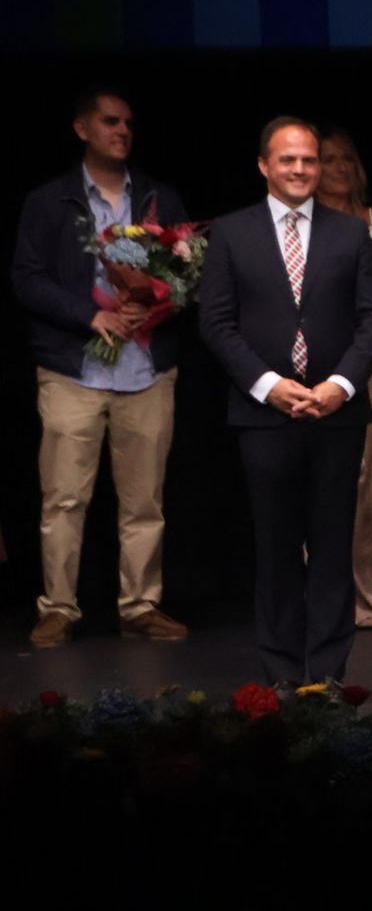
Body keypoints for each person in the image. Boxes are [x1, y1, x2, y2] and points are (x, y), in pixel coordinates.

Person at [198, 116, 372, 684]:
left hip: (337, 413)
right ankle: (281, 674)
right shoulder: (231, 232)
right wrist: (268, 386)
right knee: (277, 549)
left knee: (332, 550)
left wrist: (340, 386)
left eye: (309, 159)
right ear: (264, 166)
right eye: (288, 160)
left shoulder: (351, 232)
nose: (301, 169)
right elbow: (217, 322)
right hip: (263, 415)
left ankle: (326, 675)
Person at [13, 86, 189, 648]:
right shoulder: (50, 201)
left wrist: (156, 302)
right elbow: (27, 279)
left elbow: (190, 273)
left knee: (145, 500)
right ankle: (59, 608)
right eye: (110, 122)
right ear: (82, 129)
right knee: (64, 497)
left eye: (128, 123)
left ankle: (140, 605)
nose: (122, 131)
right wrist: (91, 316)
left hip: (145, 367)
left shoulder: (160, 196)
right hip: (74, 369)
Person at [316, 128, 372, 628]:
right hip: (325, 360)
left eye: (347, 158)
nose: (340, 167)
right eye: (329, 159)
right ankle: (332, 592)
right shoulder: (305, 223)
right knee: (340, 476)